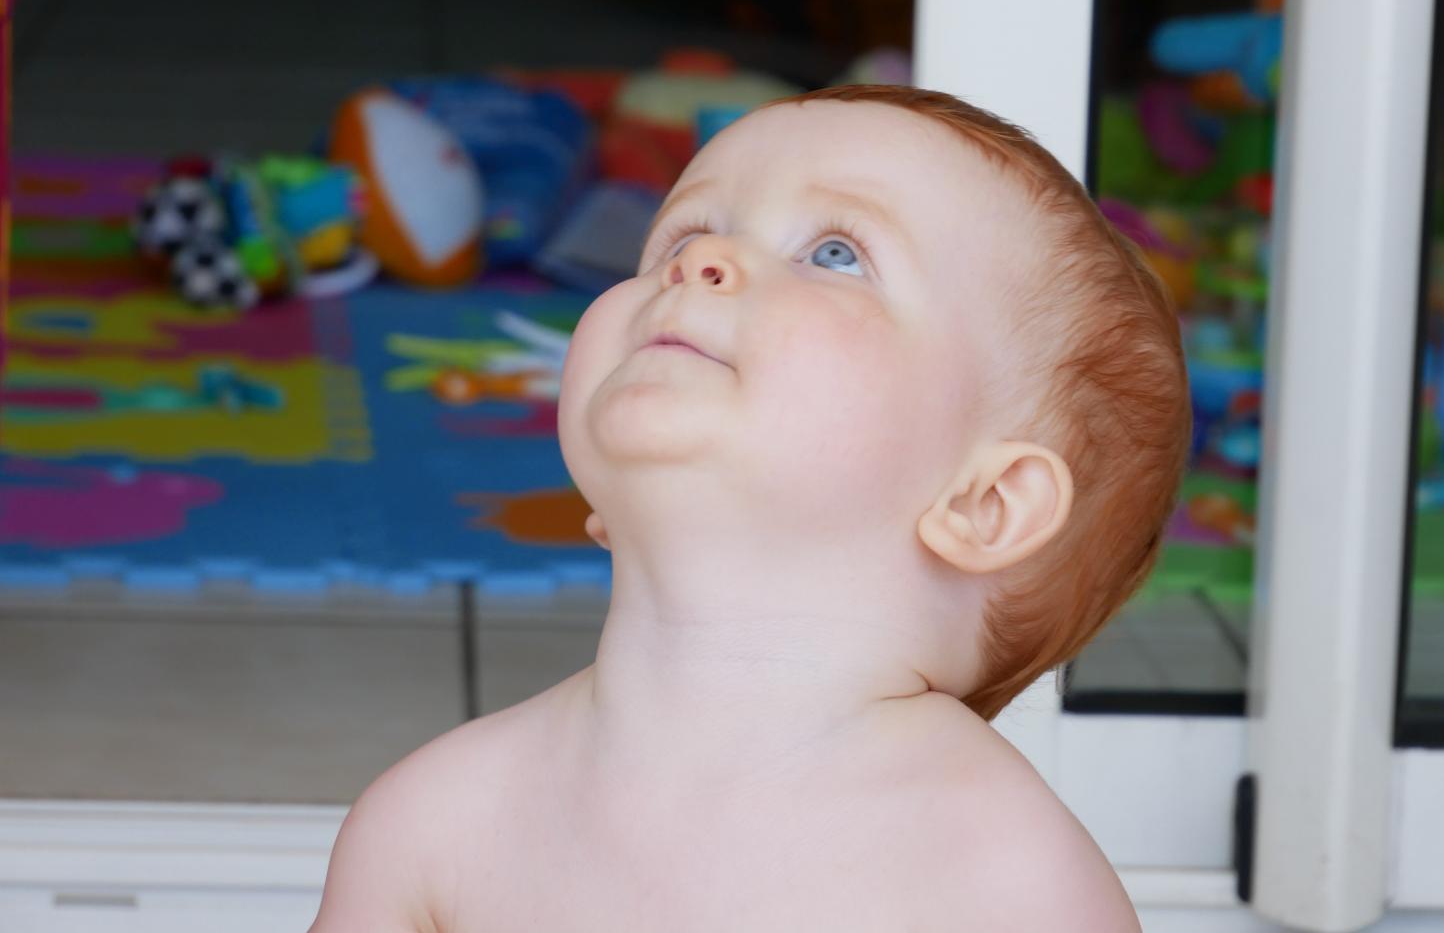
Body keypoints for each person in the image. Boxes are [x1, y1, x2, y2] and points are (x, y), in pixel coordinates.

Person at [309, 85, 1190, 932]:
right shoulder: (436, 825)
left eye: (835, 253)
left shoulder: (1002, 877)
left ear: (984, 504)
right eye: (684, 233)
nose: (699, 263)